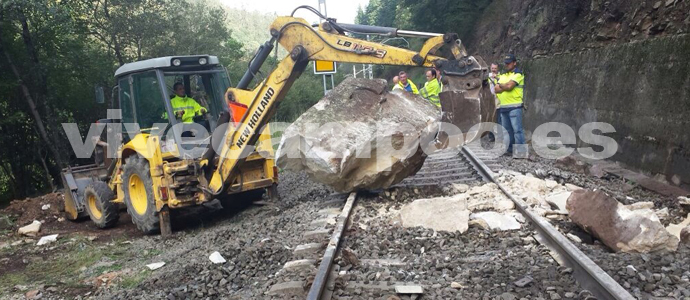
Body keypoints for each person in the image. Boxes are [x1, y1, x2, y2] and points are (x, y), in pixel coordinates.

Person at [494, 54, 527, 158]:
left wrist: (503, 85)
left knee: (517, 130)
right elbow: (496, 89)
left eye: (509, 63)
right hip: (504, 107)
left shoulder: (518, 74)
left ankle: (521, 152)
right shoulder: (504, 75)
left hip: (515, 106)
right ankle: (509, 150)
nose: (507, 65)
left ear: (514, 63)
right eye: (506, 63)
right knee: (507, 131)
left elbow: (509, 86)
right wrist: (506, 86)